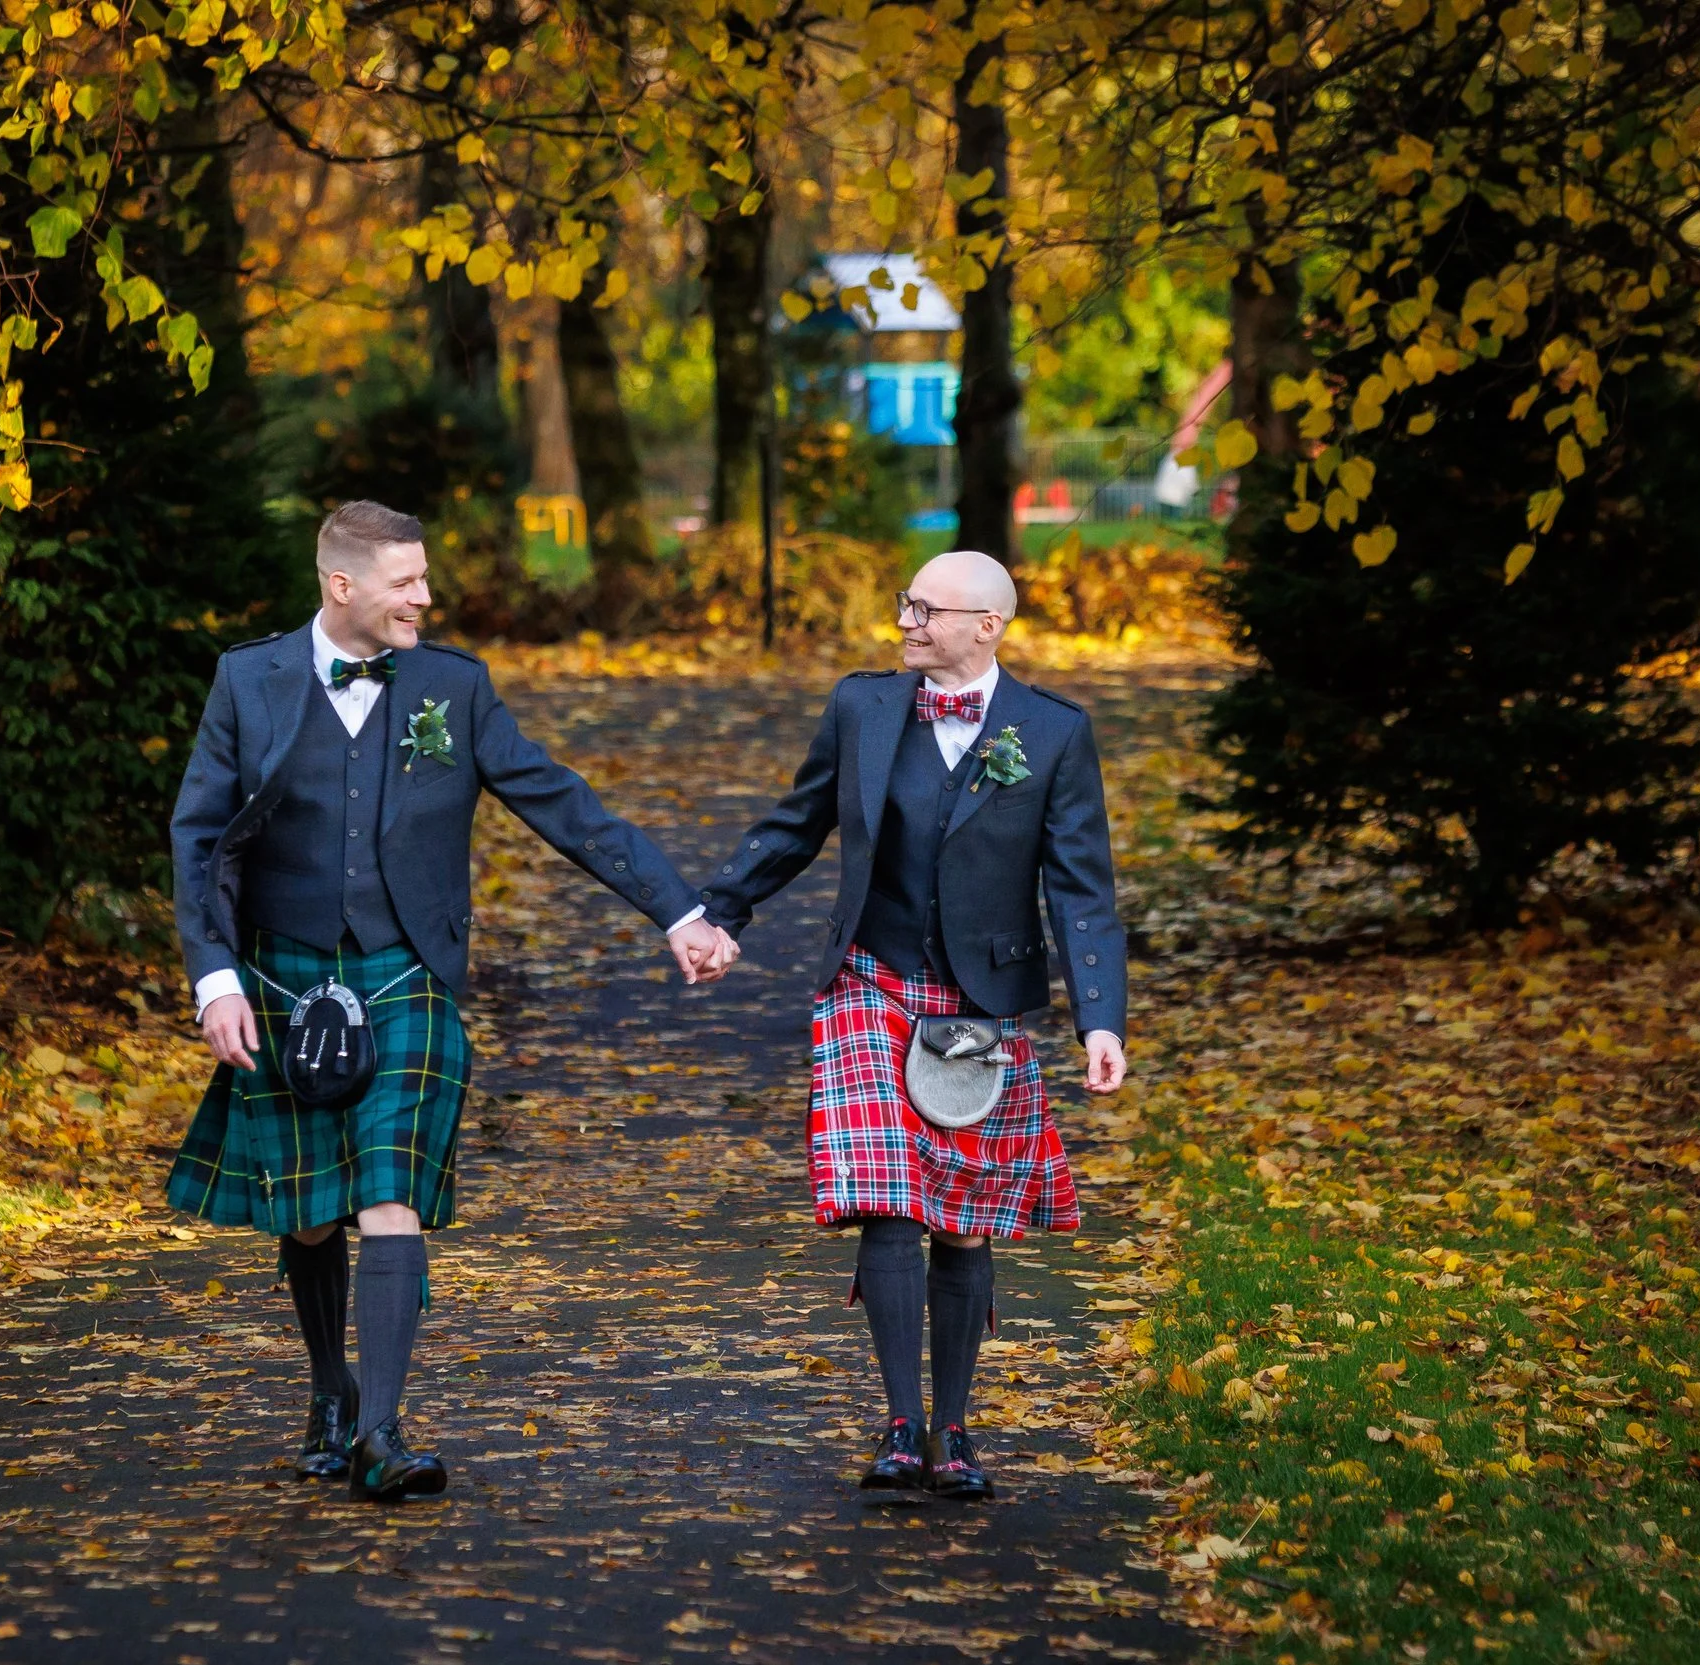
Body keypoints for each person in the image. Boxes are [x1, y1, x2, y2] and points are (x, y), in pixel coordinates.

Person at [166, 500, 739, 1502]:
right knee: (306, 1215)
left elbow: (561, 800)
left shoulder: (453, 687)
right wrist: (214, 975)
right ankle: (331, 1391)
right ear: (341, 585)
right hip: (280, 971)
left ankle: (381, 1431)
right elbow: (201, 834)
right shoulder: (246, 679)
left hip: (403, 971)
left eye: (424, 577)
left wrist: (676, 909)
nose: (426, 596)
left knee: (388, 1195)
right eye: (405, 581)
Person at [699, 549, 1127, 1500]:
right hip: (872, 976)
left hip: (981, 1000)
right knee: (892, 1194)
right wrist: (720, 911)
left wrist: (1101, 1019)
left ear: (989, 627)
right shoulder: (864, 707)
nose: (907, 622)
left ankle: (956, 1429)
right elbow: (797, 821)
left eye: (929, 611)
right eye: (906, 604)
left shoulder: (1054, 733)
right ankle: (900, 1426)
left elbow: (1084, 889)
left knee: (964, 1217)